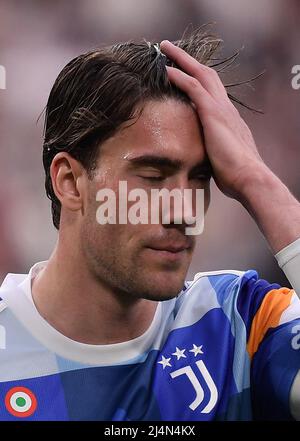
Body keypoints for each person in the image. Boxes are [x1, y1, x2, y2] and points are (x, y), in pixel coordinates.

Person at [0, 29, 299, 421]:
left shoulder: (239, 322)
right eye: (153, 177)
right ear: (70, 182)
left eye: (199, 178)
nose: (184, 212)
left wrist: (254, 178)